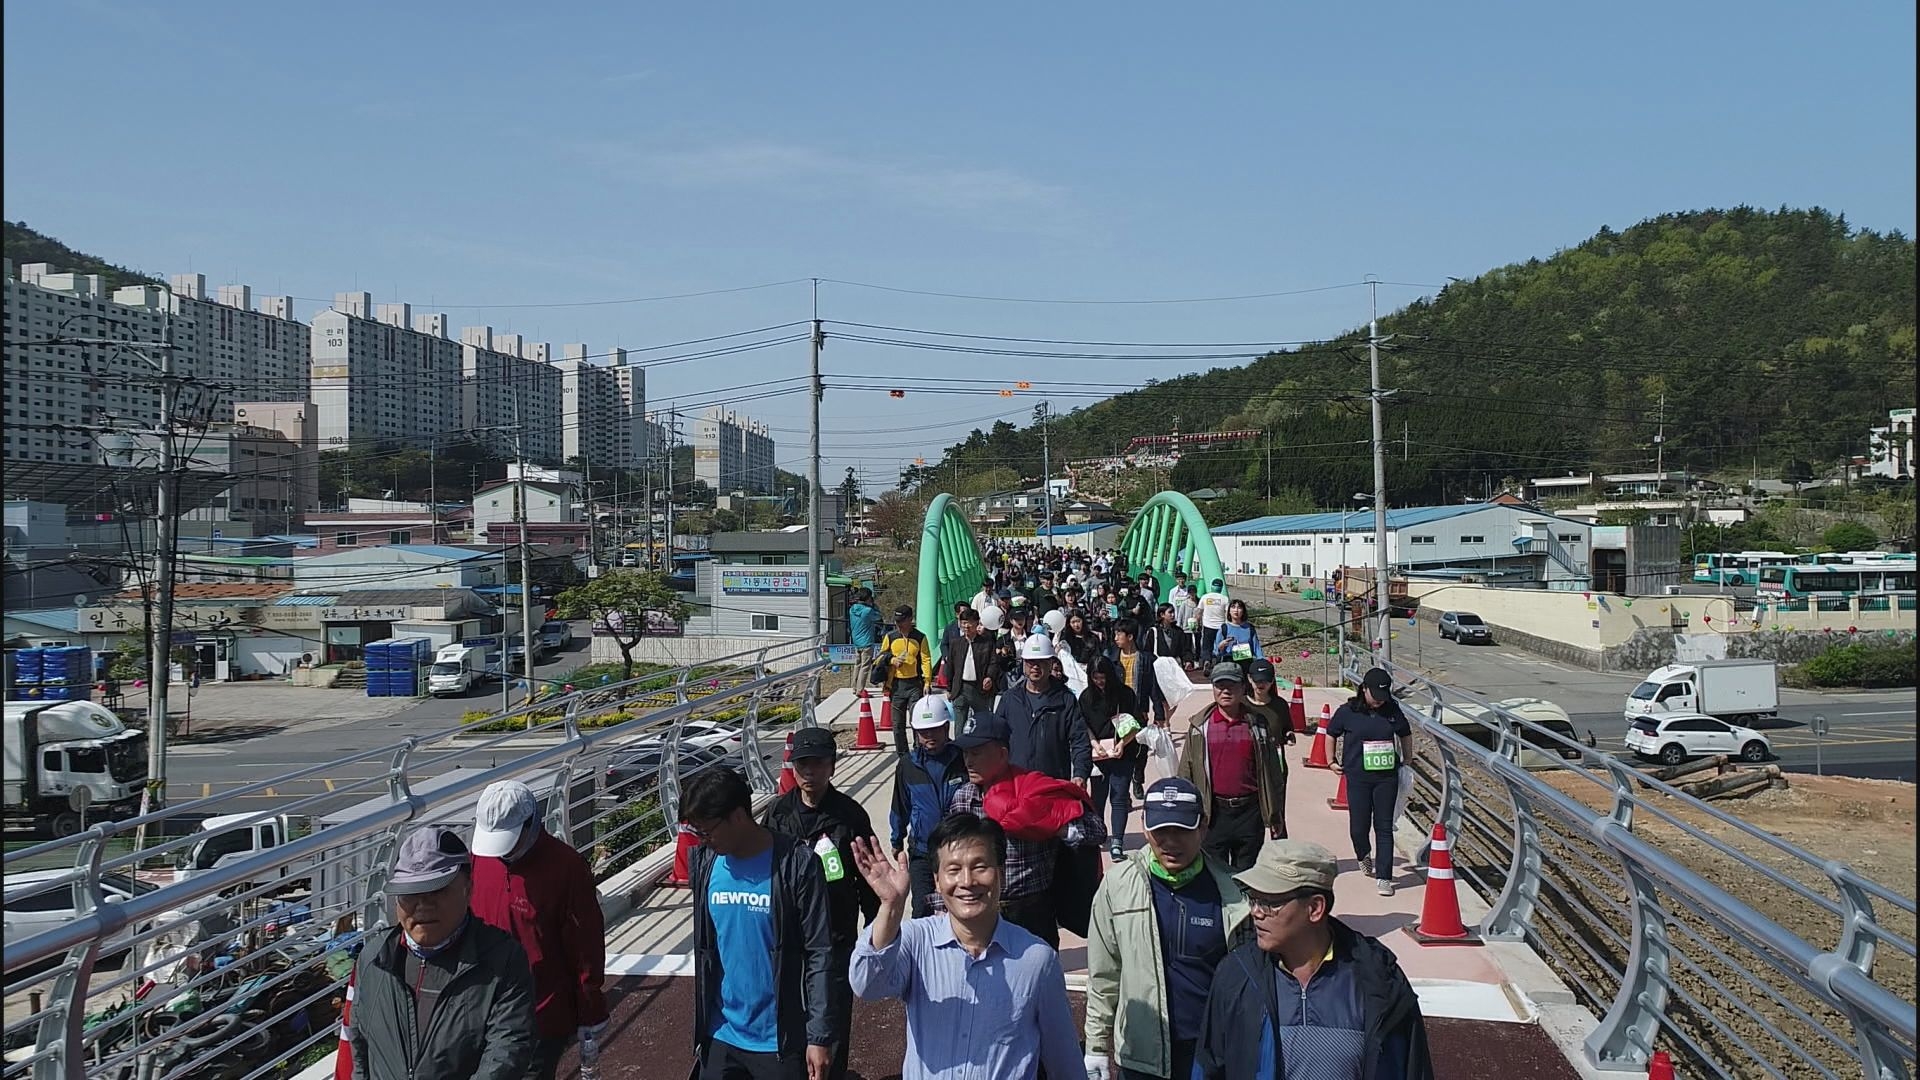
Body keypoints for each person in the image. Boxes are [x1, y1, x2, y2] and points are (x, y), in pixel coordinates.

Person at [847, 814, 1085, 1080]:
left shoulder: (1037, 960)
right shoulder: (915, 940)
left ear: (1001, 874)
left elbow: (1065, 1063)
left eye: (980, 866)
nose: (967, 881)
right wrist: (891, 907)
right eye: (954, 869)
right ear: (937, 880)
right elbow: (866, 984)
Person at [1191, 840, 1434, 1080]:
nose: (1256, 912)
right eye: (1253, 898)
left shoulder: (1381, 981)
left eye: (1270, 902)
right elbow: (1209, 1065)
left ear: (1315, 908)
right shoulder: (1235, 974)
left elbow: (1412, 1069)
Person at [1084, 778, 1252, 1080]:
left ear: (1203, 827)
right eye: (1162, 830)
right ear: (1146, 828)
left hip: (1212, 1057)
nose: (1171, 842)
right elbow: (1103, 974)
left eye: (1182, 830)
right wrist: (1096, 1045)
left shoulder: (1234, 893)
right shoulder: (1118, 885)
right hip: (1141, 1058)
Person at [683, 766, 835, 1080]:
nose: (703, 840)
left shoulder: (796, 864)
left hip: (777, 1041)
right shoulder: (706, 863)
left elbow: (819, 952)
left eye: (707, 830)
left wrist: (818, 1036)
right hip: (721, 1034)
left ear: (738, 816)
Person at [348, 828, 536, 1080]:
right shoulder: (373, 958)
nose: (423, 905)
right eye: (410, 893)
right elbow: (360, 1046)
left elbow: (506, 1055)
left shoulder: (503, 960)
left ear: (468, 890)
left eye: (438, 890)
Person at [468, 781, 609, 1080]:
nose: (502, 853)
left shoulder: (566, 867)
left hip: (541, 1014)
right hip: (484, 1009)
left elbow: (585, 945)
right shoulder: (481, 860)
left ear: (532, 825)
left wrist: (589, 1008)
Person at [764, 728, 880, 1079]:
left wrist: (874, 933)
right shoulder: (777, 814)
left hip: (836, 935)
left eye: (817, 764)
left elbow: (869, 878)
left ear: (831, 766)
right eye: (802, 765)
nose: (809, 773)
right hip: (788, 936)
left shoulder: (851, 816)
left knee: (832, 1020)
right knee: (787, 1016)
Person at [946, 709, 1107, 949]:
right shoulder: (963, 799)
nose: (968, 761)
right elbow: (948, 856)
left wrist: (1053, 823)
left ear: (1002, 754)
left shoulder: (1036, 791)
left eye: (976, 753)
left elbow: (1097, 831)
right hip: (981, 911)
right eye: (966, 753)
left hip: (1033, 913)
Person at [1176, 663, 1290, 872]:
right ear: (1213, 688)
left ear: (1242, 687)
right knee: (1213, 873)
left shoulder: (1258, 725)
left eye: (1232, 685)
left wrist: (1276, 814)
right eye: (1220, 685)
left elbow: (1274, 774)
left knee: (1247, 875)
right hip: (1213, 814)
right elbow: (1186, 773)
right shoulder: (1199, 727)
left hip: (1250, 812)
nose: (1226, 691)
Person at [1326, 667, 1415, 897]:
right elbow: (1331, 733)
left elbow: (1405, 733)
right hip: (1358, 777)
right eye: (1375, 696)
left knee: (1384, 827)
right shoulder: (1347, 711)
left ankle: (1384, 877)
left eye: (1382, 697)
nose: (1378, 701)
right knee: (1359, 826)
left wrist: (1408, 759)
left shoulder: (1392, 710)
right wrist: (1331, 760)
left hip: (1386, 777)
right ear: (1364, 689)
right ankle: (1363, 854)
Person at [889, 695, 971, 917]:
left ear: (946, 727)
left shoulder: (962, 760)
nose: (929, 736)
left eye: (935, 730)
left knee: (960, 908)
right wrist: (896, 840)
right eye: (924, 732)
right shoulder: (907, 766)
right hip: (922, 852)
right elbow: (900, 805)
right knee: (922, 910)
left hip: (959, 851)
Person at [994, 634, 1092, 786]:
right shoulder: (1010, 699)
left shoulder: (1065, 700)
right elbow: (996, 739)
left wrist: (1080, 773)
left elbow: (1080, 741)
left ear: (1051, 663)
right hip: (1017, 784)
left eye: (1041, 662)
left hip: (1053, 784)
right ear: (1024, 663)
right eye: (1031, 662)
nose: (1035, 667)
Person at [1079, 655, 1143, 861]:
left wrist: (1123, 744)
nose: (1100, 682)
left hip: (1122, 751)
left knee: (1119, 795)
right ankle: (1100, 831)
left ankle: (1118, 842)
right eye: (1096, 677)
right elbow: (1083, 725)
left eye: (1103, 677)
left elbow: (1136, 722)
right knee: (1097, 796)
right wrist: (1095, 745)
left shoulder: (1125, 694)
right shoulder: (1086, 697)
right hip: (1099, 754)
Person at [877, 606, 933, 756]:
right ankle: (903, 755)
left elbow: (926, 659)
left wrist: (927, 681)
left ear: (910, 620)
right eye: (897, 621)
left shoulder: (920, 637)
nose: (899, 624)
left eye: (902, 621)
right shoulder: (890, 637)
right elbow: (879, 658)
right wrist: (892, 659)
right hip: (896, 685)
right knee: (897, 724)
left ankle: (918, 751)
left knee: (916, 720)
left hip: (915, 684)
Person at [935, 606, 1000, 730]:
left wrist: (989, 677)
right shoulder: (955, 643)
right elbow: (951, 667)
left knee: (981, 724)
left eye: (969, 622)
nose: (966, 626)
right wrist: (949, 688)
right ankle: (959, 748)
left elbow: (993, 663)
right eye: (963, 623)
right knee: (959, 725)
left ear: (976, 623)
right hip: (960, 688)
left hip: (979, 689)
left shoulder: (986, 643)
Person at [848, 590, 882, 691]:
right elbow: (878, 616)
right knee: (865, 666)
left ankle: (854, 687)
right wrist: (874, 605)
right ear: (867, 598)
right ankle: (860, 690)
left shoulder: (852, 609)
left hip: (856, 641)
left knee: (857, 664)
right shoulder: (867, 611)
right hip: (866, 641)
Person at [1147, 604, 1193, 672]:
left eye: (1173, 612)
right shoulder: (1153, 631)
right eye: (1170, 612)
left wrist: (1188, 661)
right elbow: (1148, 651)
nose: (1173, 615)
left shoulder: (1178, 631)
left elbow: (1185, 649)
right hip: (1159, 668)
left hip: (1175, 668)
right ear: (1162, 614)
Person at [1196, 580, 1230, 660]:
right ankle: (1219, 661)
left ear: (1212, 586)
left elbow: (1199, 612)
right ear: (1221, 588)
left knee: (1207, 646)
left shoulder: (1205, 597)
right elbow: (1227, 614)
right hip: (1220, 627)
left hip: (1208, 626)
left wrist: (1198, 623)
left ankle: (1207, 660)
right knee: (1221, 645)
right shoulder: (1225, 599)